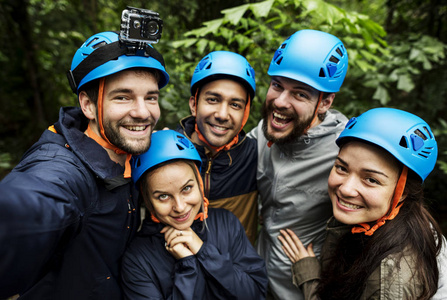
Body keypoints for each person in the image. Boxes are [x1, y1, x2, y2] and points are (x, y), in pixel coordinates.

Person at [0, 31, 169, 299]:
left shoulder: (130, 155)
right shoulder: (63, 171)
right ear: (88, 105)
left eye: (151, 97)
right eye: (123, 97)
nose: (143, 112)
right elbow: (32, 201)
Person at [279, 107, 446, 299]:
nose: (345, 189)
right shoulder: (374, 226)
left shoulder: (389, 284)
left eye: (371, 180)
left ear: (403, 192)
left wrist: (308, 275)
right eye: (341, 168)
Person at [247, 29, 349, 298]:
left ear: (325, 102)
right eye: (277, 85)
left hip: (308, 288)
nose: (280, 102)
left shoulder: (347, 150)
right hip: (258, 283)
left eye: (300, 94)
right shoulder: (261, 134)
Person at [121, 130, 268, 299]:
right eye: (163, 196)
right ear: (147, 201)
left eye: (187, 188)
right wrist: (187, 266)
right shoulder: (137, 259)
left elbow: (256, 293)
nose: (180, 207)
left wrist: (203, 251)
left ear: (199, 182)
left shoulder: (226, 223)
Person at [176, 51, 259, 244]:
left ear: (246, 112)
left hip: (236, 270)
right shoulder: (165, 154)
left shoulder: (255, 155)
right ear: (194, 104)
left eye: (235, 105)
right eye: (213, 99)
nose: (222, 114)